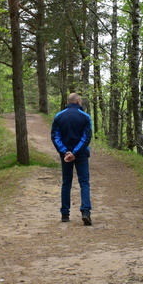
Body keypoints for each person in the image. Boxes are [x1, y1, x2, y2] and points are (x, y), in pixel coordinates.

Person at [51, 92, 93, 225]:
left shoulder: (59, 116)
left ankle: (65, 214)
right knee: (84, 182)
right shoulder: (85, 117)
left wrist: (65, 152)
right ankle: (85, 212)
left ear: (69, 102)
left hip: (65, 156)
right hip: (81, 154)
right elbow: (86, 137)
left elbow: (55, 136)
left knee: (66, 183)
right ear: (78, 102)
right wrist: (74, 152)